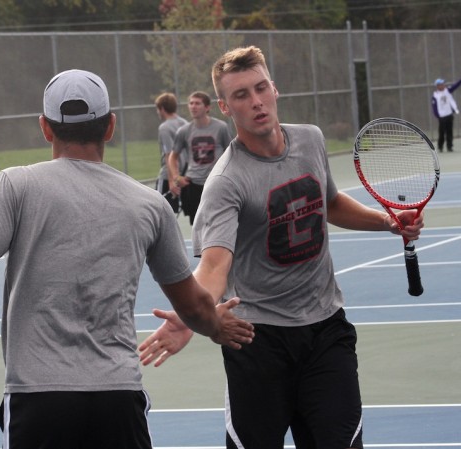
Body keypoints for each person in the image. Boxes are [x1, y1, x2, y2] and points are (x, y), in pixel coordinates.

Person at [0, 69, 254, 449]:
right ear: (110, 127)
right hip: (118, 399)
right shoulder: (150, 205)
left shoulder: (15, 185)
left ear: (45, 127)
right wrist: (213, 325)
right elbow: (193, 304)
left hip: (39, 401)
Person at [139, 46, 425, 449]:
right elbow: (215, 267)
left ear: (275, 89)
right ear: (225, 106)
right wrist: (192, 314)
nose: (255, 102)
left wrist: (388, 222)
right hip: (258, 341)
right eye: (241, 95)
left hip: (326, 331)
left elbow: (329, 203)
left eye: (260, 88)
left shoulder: (310, 140)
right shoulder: (226, 182)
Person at [167, 90, 232, 225]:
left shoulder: (221, 127)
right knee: (198, 226)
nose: (193, 106)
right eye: (191, 103)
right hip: (193, 185)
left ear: (207, 107)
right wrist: (176, 177)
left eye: (197, 103)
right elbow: (173, 157)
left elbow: (231, 153)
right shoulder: (184, 131)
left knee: (219, 222)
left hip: (216, 183)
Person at [154, 92, 188, 213]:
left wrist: (171, 181)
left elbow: (169, 155)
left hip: (168, 177)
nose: (158, 112)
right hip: (184, 175)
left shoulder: (164, 128)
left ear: (162, 109)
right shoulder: (185, 123)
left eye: (158, 109)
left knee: (159, 211)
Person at [431, 77, 461, 152]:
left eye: (443, 84)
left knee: (449, 131)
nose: (443, 85)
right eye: (441, 84)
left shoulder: (447, 91)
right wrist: (437, 115)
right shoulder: (435, 95)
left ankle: (449, 146)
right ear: (437, 86)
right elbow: (434, 106)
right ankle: (440, 146)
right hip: (442, 117)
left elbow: (455, 85)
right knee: (442, 132)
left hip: (449, 115)